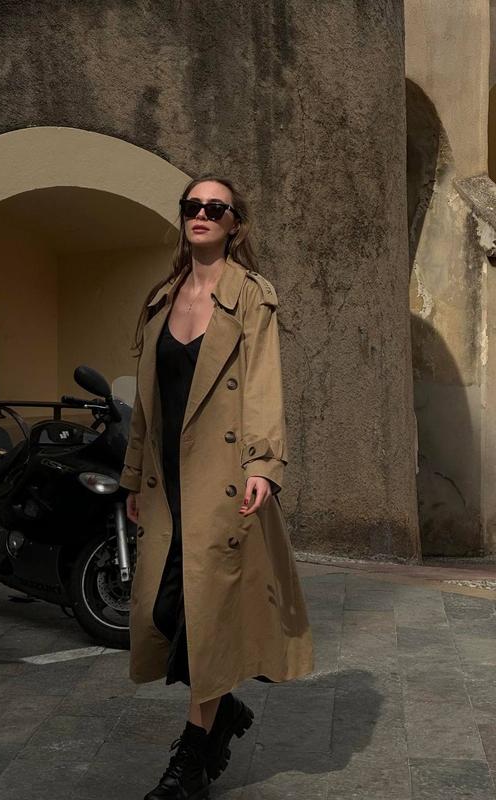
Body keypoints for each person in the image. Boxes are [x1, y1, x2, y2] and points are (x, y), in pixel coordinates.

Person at [119, 175, 313, 800]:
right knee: (162, 610)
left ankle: (190, 763)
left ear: (234, 224)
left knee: (203, 619)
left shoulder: (251, 296)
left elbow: (262, 383)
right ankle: (224, 712)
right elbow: (146, 405)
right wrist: (132, 476)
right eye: (192, 206)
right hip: (165, 483)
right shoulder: (159, 299)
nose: (200, 214)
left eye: (215, 208)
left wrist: (263, 464)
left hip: (223, 481)